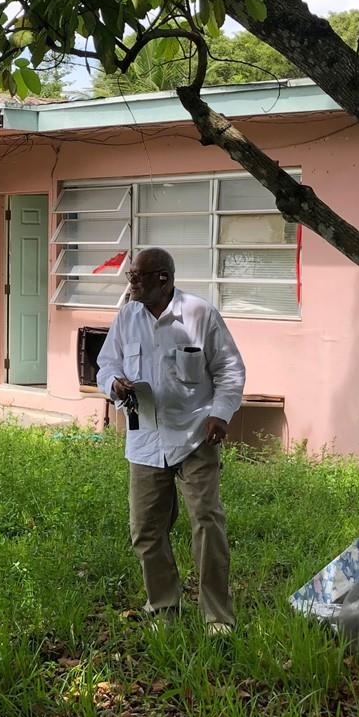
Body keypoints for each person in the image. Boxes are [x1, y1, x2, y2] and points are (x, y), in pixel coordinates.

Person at [95, 247, 246, 634]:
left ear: (163, 279)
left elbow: (229, 368)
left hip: (196, 435)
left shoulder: (199, 314)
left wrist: (221, 413)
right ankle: (164, 610)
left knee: (207, 523)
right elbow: (107, 364)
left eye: (137, 277)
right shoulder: (127, 317)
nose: (131, 284)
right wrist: (114, 383)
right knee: (146, 529)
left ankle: (217, 617)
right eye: (130, 276)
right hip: (145, 438)